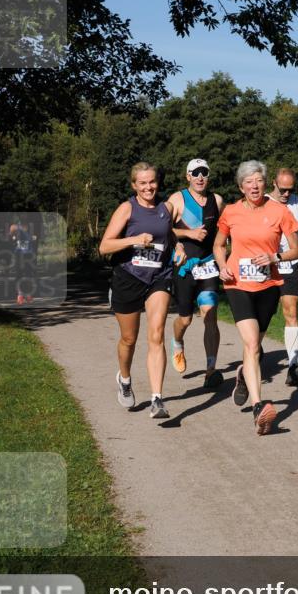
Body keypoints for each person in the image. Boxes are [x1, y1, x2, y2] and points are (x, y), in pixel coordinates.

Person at [212, 160, 298, 435]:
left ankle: (242, 374)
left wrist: (275, 256)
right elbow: (218, 244)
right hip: (238, 284)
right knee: (251, 345)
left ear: (266, 184)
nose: (254, 185)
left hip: (268, 285)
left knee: (256, 346)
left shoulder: (280, 212)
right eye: (248, 181)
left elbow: (296, 250)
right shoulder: (231, 212)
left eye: (259, 181)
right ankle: (258, 406)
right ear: (241, 186)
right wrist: (221, 265)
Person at [99, 162, 186, 418]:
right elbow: (104, 246)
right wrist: (134, 239)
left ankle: (157, 399)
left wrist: (178, 247)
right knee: (129, 339)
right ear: (134, 185)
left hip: (159, 276)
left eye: (152, 182)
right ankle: (124, 379)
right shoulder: (127, 208)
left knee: (156, 334)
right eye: (143, 183)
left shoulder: (166, 208)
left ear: (157, 182)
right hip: (128, 277)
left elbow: (167, 234)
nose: (149, 187)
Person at [167, 158, 225, 389]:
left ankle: (211, 370)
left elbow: (226, 228)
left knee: (210, 315)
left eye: (204, 172)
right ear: (187, 176)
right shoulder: (177, 199)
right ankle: (177, 342)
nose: (200, 177)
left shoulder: (217, 200)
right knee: (186, 319)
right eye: (195, 173)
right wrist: (186, 238)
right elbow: (162, 228)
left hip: (208, 265)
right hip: (184, 267)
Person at [267, 168, 298, 385]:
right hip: (267, 266)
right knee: (261, 317)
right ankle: (252, 360)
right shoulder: (262, 203)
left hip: (291, 264)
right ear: (273, 183)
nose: (286, 194)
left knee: (291, 312)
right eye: (282, 189)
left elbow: (297, 227)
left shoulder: (294, 201)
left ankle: (292, 366)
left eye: (290, 190)